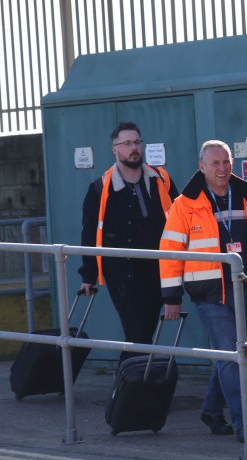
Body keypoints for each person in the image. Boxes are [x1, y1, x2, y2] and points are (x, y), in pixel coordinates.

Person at [159, 140, 247, 441]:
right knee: (232, 353)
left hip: (246, 288)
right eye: (215, 163)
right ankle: (244, 424)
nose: (222, 168)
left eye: (226, 162)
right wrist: (172, 298)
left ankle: (212, 410)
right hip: (209, 293)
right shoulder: (184, 204)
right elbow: (170, 253)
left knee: (231, 353)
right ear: (201, 167)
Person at [79, 121, 178, 362]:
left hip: (158, 269)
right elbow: (90, 234)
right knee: (137, 332)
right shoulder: (100, 188)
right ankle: (128, 389)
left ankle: (134, 386)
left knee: (145, 331)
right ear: (115, 149)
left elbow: (180, 221)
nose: (133, 148)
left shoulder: (161, 179)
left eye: (136, 142)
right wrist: (88, 276)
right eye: (127, 143)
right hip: (123, 273)